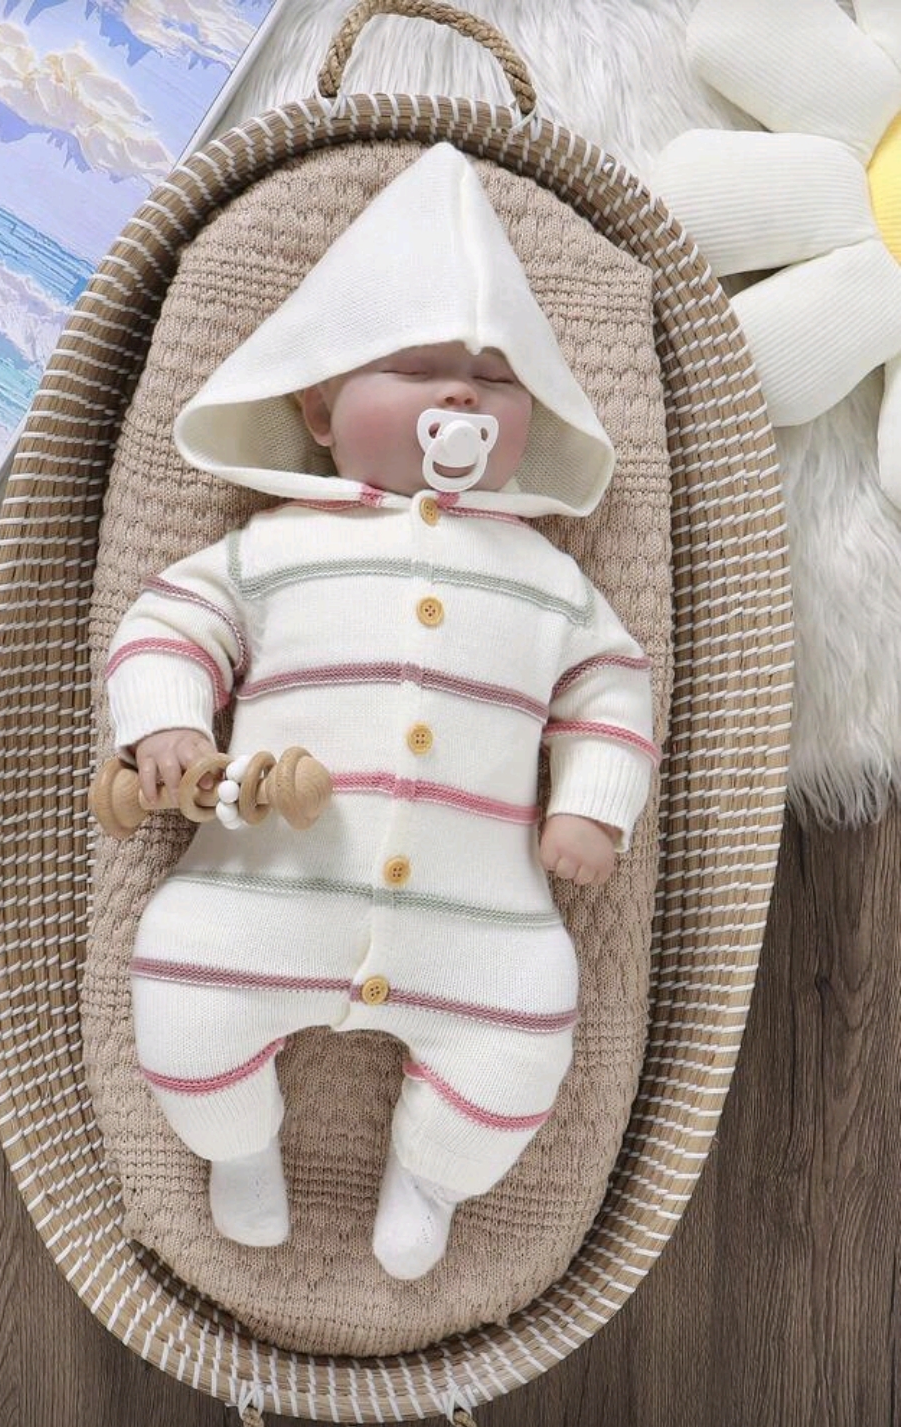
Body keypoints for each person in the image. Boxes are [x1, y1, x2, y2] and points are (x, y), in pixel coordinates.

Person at [105, 143, 657, 1281]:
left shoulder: (550, 580)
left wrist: (592, 803)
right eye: (417, 367)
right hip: (264, 885)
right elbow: (170, 619)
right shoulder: (274, 548)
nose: (462, 397)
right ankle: (237, 1146)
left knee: (526, 1024)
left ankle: (435, 1173)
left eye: (496, 379)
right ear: (318, 406)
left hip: (480, 921)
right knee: (183, 981)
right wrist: (169, 724)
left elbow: (611, 683)